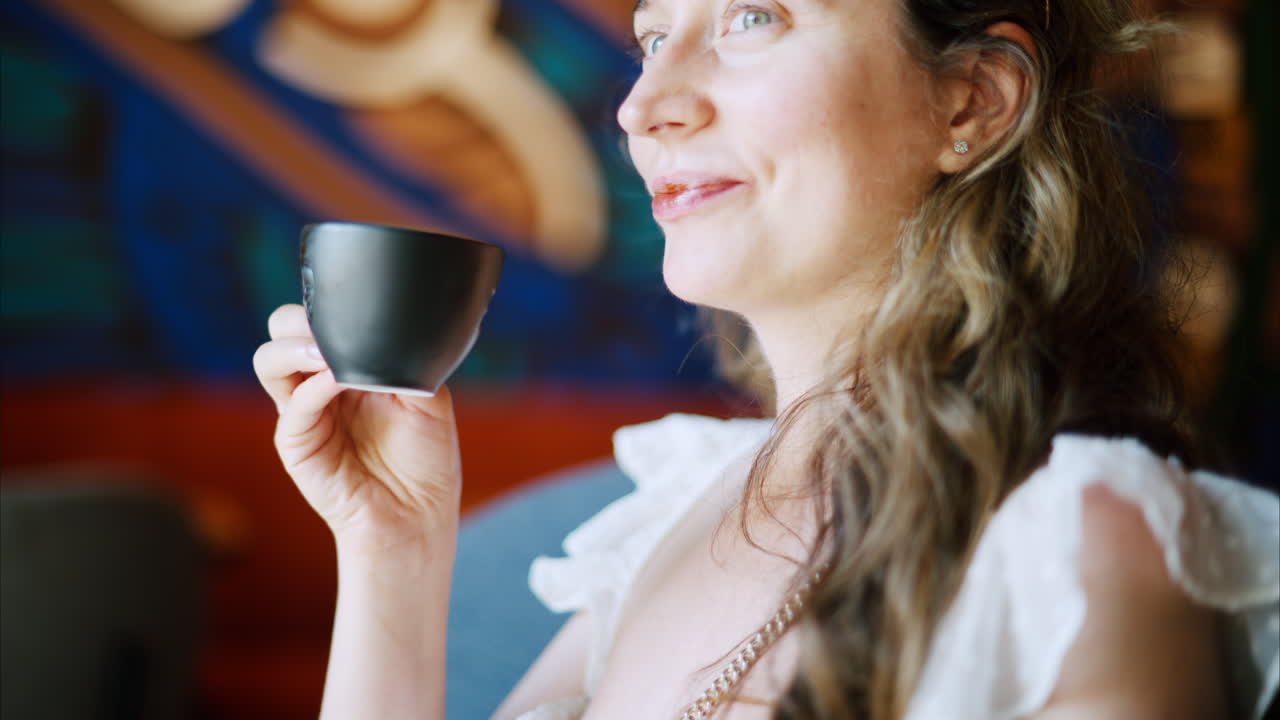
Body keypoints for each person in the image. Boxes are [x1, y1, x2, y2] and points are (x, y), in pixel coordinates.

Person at [252, 0, 1280, 718]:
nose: (644, 104)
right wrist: (392, 550)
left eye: (754, 17)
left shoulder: (1074, 558)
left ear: (969, 101)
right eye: (654, 35)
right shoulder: (663, 519)